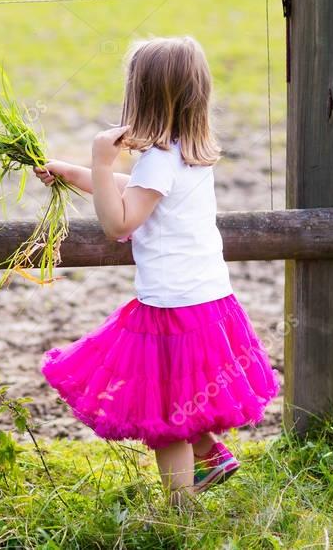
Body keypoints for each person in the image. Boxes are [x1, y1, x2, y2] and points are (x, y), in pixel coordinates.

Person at [36, 36, 278, 502]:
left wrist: (100, 163)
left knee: (167, 420)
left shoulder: (159, 160)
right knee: (184, 400)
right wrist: (73, 173)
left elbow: (119, 222)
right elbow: (138, 190)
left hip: (172, 307)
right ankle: (209, 456)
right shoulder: (187, 153)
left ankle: (178, 514)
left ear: (141, 97)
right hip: (209, 301)